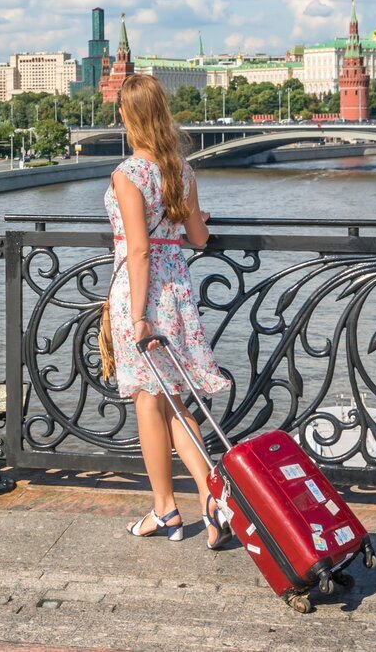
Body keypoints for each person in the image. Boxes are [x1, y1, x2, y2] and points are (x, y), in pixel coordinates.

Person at [104, 73, 232, 549]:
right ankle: (212, 498)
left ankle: (165, 510)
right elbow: (197, 238)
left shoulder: (128, 173)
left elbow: (137, 250)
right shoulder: (181, 168)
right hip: (178, 292)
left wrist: (137, 317)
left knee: (146, 403)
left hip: (140, 297)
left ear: (127, 116)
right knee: (176, 401)